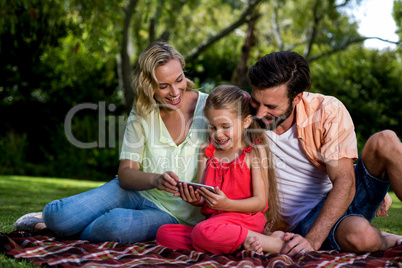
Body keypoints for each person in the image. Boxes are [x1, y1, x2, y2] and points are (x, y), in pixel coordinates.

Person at [13, 42, 210, 243]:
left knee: (114, 225)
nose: (175, 92)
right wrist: (156, 180)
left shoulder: (210, 108)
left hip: (173, 214)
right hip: (135, 192)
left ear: (183, 69)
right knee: (58, 216)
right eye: (163, 86)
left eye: (179, 80)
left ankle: (47, 229)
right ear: (149, 85)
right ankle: (50, 222)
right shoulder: (143, 113)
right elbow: (125, 174)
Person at [247, 51, 402, 257]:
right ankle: (389, 239)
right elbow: (204, 102)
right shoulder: (242, 112)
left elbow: (344, 181)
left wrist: (313, 241)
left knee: (386, 140)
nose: (259, 113)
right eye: (256, 102)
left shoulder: (326, 111)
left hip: (340, 200)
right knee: (360, 235)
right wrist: (308, 238)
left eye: (271, 107)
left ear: (297, 98)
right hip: (301, 224)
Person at [156, 85, 290, 254]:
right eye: (212, 127)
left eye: (225, 126)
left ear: (246, 122)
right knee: (164, 234)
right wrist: (193, 198)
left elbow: (260, 202)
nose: (218, 134)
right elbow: (203, 197)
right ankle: (242, 242)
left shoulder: (254, 151)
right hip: (215, 223)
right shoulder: (206, 152)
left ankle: (273, 244)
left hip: (246, 220)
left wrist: (227, 204)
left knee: (201, 232)